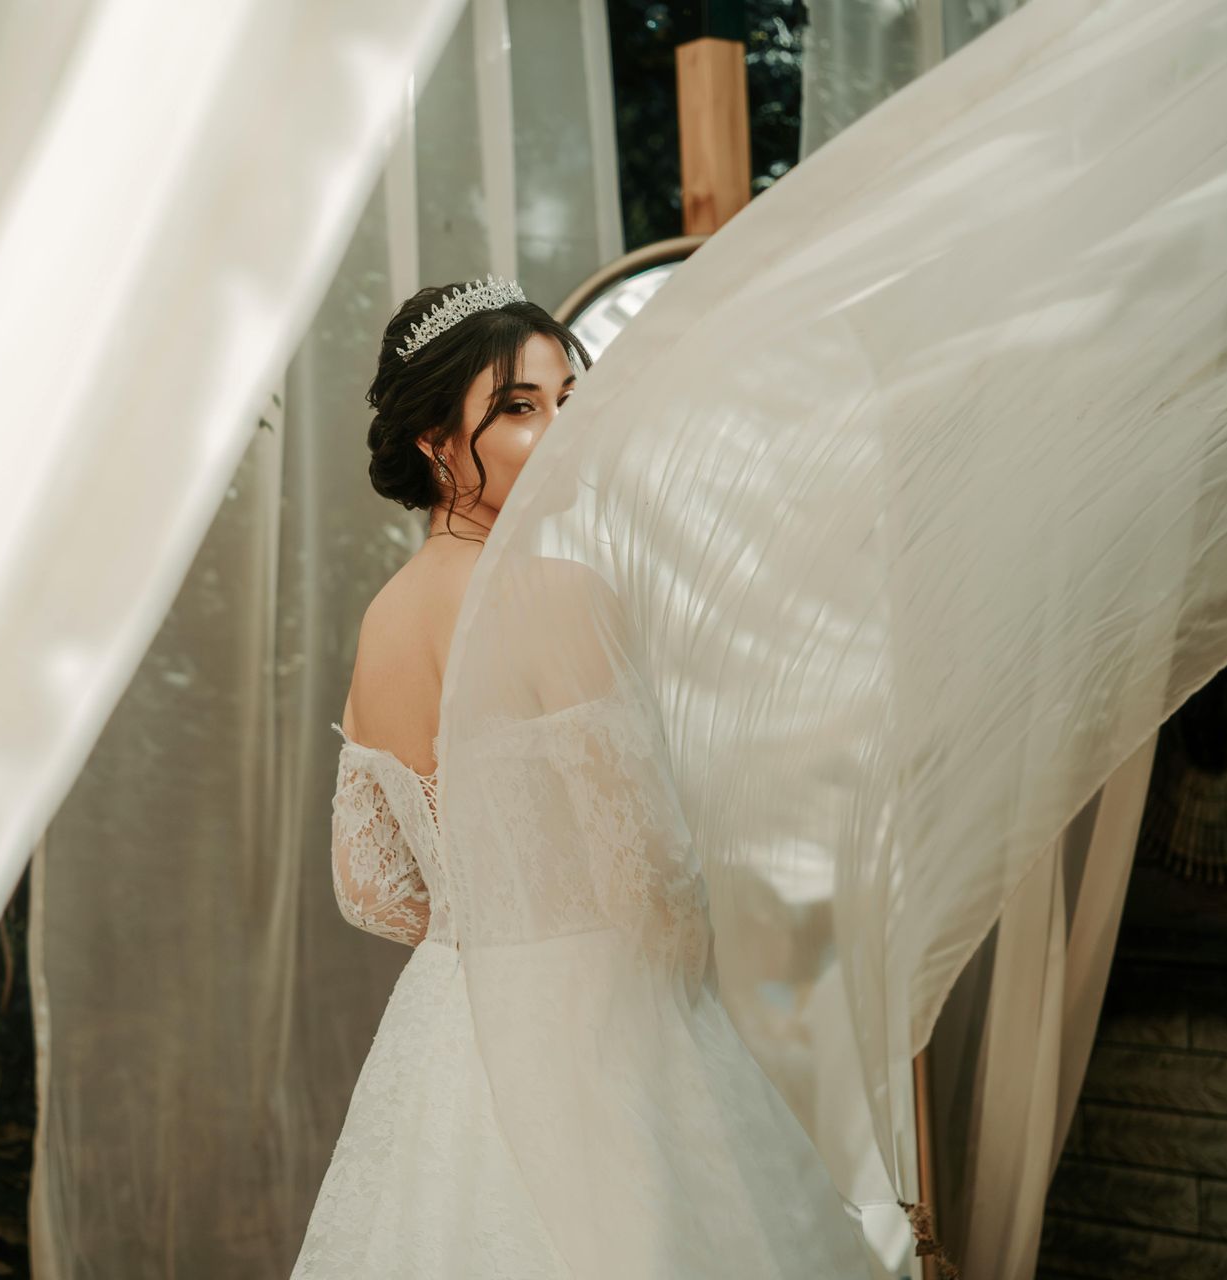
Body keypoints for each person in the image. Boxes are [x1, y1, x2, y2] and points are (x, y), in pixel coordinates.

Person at [289, 278, 872, 1279]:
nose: (562, 426)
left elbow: (372, 888)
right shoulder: (555, 593)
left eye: (569, 396)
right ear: (435, 440)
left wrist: (494, 910)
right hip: (600, 1034)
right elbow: (652, 875)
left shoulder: (383, 620)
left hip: (451, 1030)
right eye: (519, 407)